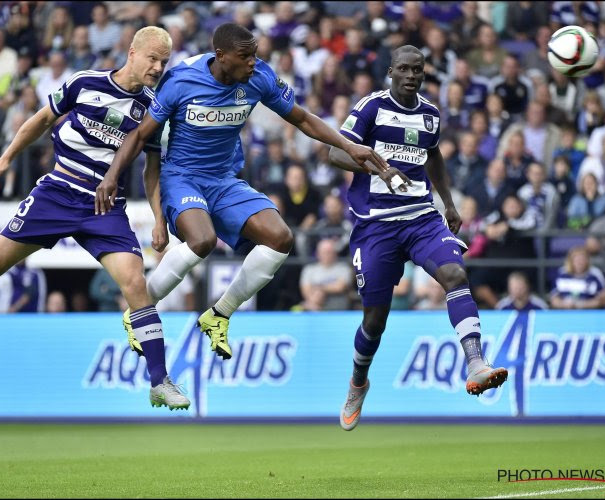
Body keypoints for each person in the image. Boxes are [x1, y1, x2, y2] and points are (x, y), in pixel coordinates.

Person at [0, 26, 189, 411]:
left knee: (135, 283)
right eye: (153, 59)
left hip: (103, 207)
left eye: (165, 62)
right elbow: (41, 120)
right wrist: (7, 156)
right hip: (57, 192)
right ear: (132, 52)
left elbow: (152, 172)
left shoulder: (152, 109)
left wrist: (159, 220)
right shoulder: (84, 83)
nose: (159, 67)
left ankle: (159, 380)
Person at [95, 23, 387, 361]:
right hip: (183, 178)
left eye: (255, 55)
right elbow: (141, 136)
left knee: (281, 238)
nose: (253, 62)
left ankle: (219, 315)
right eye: (245, 56)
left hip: (224, 179)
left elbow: (304, 120)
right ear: (221, 56)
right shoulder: (181, 80)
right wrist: (112, 176)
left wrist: (351, 147)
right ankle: (140, 309)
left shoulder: (259, 77)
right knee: (202, 241)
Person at [327, 45, 508, 431]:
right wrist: (380, 166)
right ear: (391, 71)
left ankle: (476, 363)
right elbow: (334, 153)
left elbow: (434, 155)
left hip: (421, 218)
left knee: (456, 276)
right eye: (404, 69)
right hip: (375, 225)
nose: (411, 75)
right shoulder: (371, 108)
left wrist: (449, 203)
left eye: (418, 70)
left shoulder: (430, 114)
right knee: (375, 320)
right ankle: (358, 381)